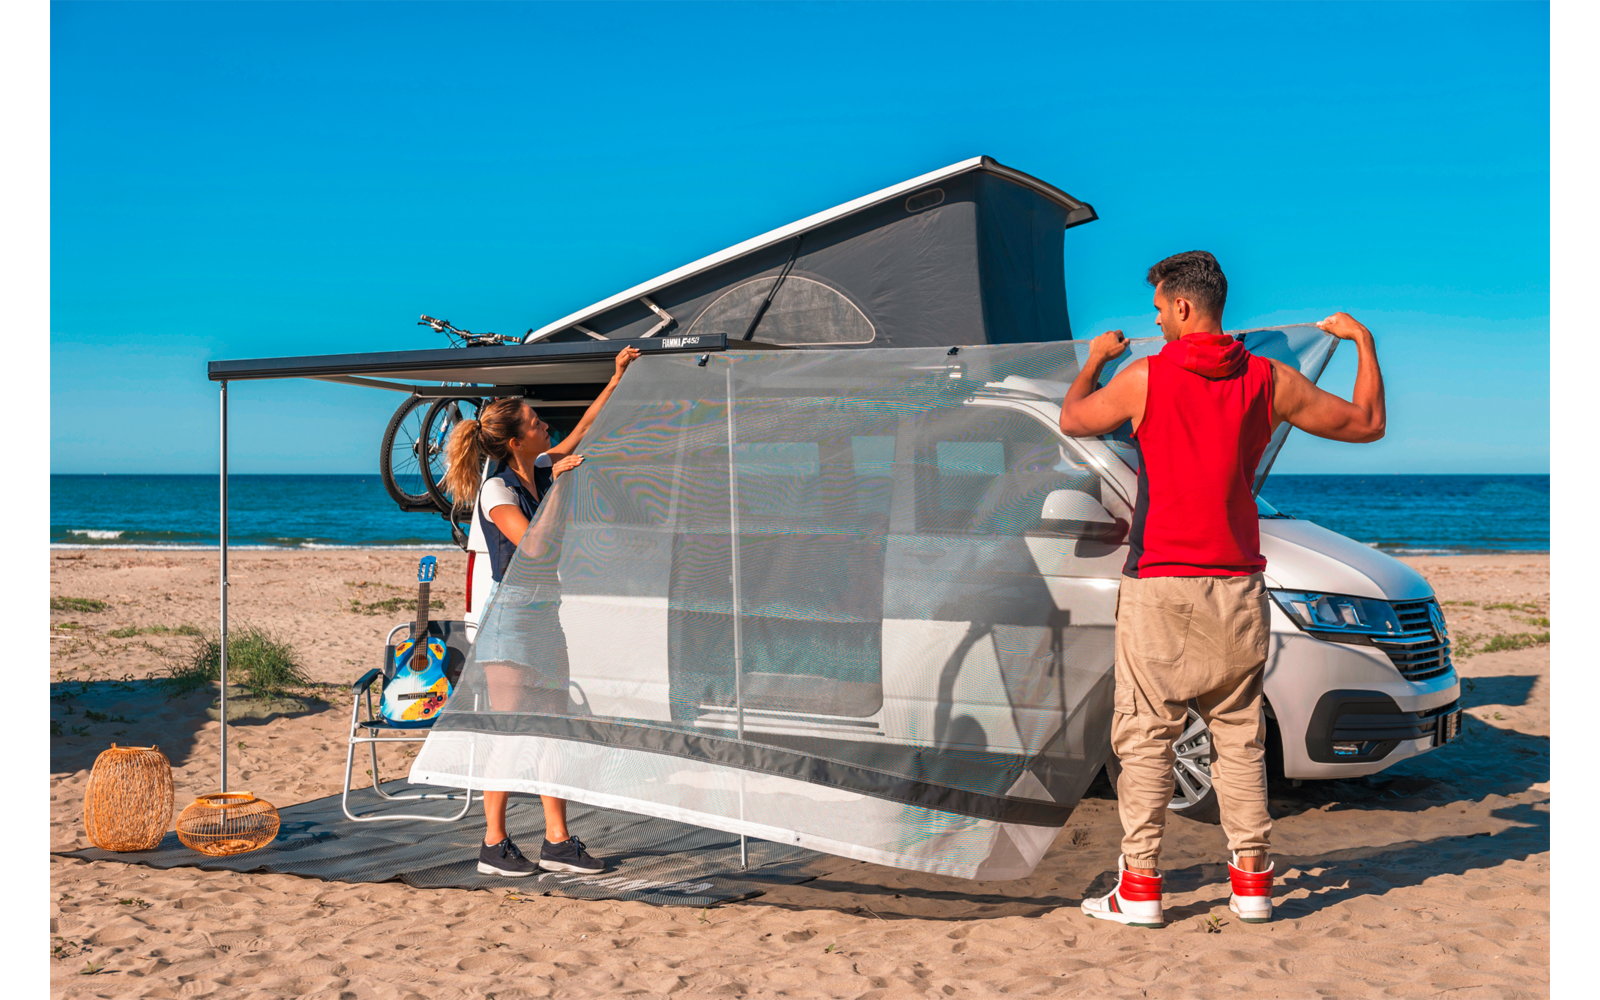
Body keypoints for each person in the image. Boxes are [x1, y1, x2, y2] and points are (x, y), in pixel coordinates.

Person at [1058, 251, 1386, 927]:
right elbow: (1367, 424)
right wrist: (1363, 342)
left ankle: (1140, 889)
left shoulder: (1144, 377)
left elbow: (1073, 420)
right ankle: (1253, 885)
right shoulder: (1271, 379)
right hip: (1237, 584)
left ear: (1182, 306)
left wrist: (1094, 361)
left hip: (1160, 584)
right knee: (1239, 738)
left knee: (1146, 736)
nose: (1156, 321)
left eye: (1159, 309)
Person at [442, 345, 642, 877]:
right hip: (510, 623)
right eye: (535, 422)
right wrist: (563, 488)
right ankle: (493, 844)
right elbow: (531, 547)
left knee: (555, 728)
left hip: (545, 615)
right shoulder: (496, 490)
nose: (545, 425)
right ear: (515, 440)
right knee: (511, 732)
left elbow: (584, 429)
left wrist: (617, 377)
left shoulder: (542, 467)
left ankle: (557, 841)